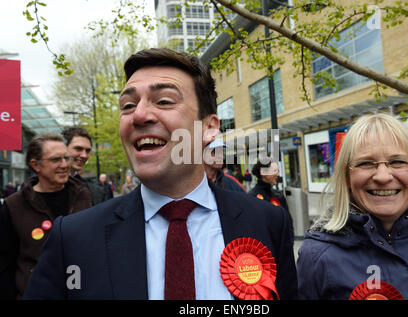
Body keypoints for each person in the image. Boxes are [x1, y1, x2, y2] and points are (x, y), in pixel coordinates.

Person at [24, 48, 297, 300]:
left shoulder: (269, 223)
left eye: (164, 101)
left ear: (210, 127)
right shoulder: (72, 238)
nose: (139, 115)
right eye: (128, 105)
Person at [297, 113, 408, 300]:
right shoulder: (317, 256)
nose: (383, 176)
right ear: (346, 177)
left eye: (397, 162)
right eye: (366, 163)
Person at [0, 132, 91, 299]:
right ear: (36, 165)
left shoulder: (85, 195)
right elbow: (5, 265)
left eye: (66, 158)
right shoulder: (13, 206)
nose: (65, 165)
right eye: (56, 159)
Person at [61, 126, 107, 206]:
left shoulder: (96, 192)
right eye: (78, 149)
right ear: (63, 148)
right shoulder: (38, 187)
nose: (84, 155)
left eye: (88, 151)